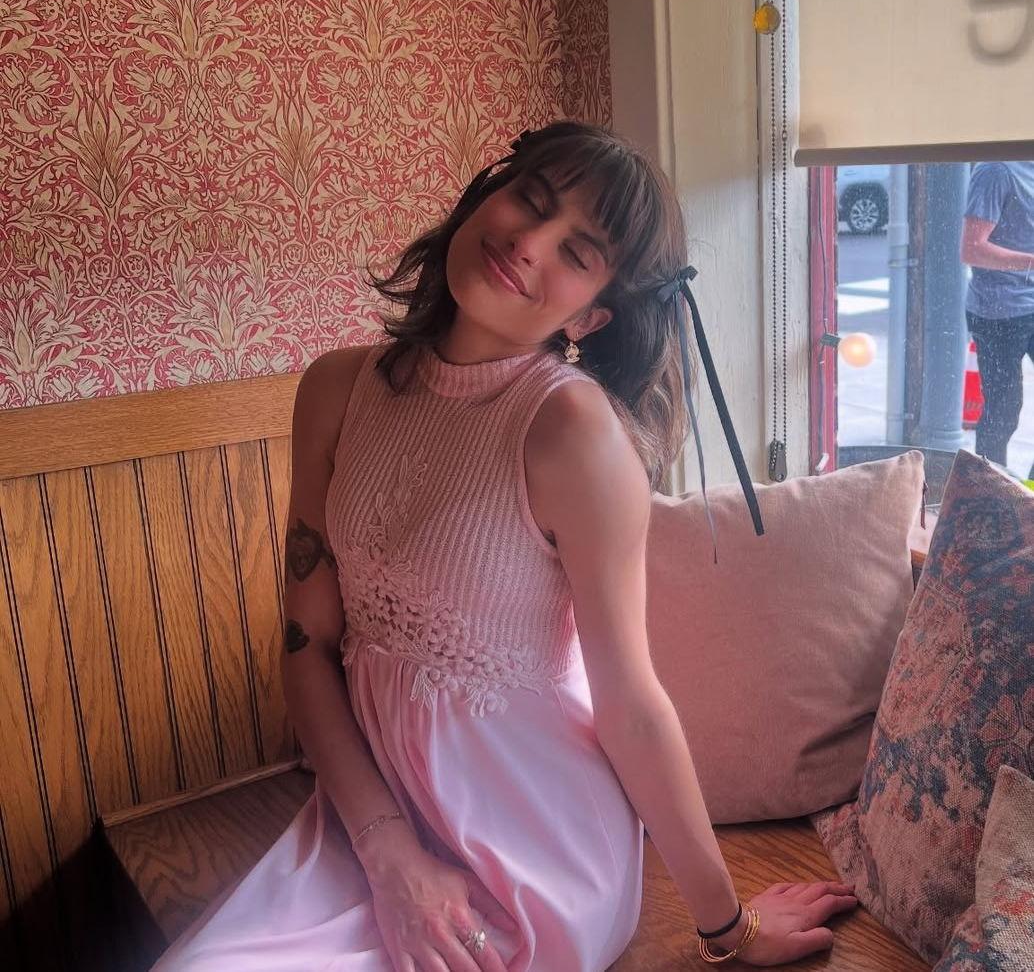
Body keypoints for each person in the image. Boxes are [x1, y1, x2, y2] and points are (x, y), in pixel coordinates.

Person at [150, 122, 857, 972]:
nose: (528, 243)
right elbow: (308, 645)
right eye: (531, 199)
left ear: (591, 315)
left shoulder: (573, 432)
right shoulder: (335, 389)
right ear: (485, 195)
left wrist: (729, 928)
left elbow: (631, 707)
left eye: (577, 251)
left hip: (530, 846)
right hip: (365, 819)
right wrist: (386, 849)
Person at [961, 160, 1034, 479]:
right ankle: (989, 494)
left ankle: (1028, 493)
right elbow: (972, 249)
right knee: (1003, 413)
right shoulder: (997, 169)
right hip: (999, 312)